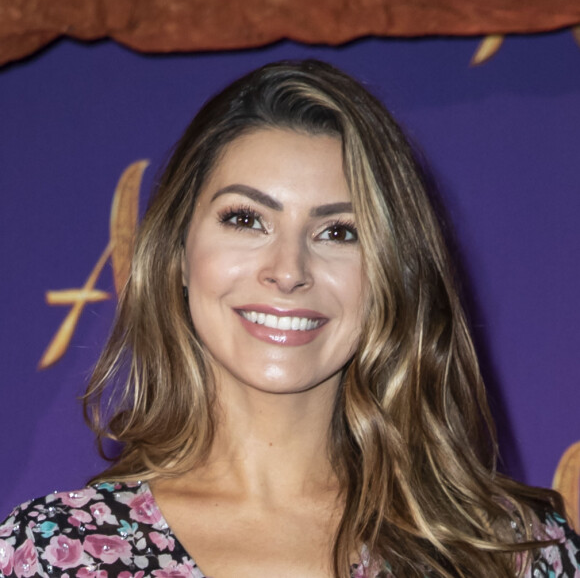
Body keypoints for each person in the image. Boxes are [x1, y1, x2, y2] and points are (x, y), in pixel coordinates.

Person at [1, 60, 578, 578]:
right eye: (246, 220)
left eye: (338, 232)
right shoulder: (55, 555)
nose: (287, 270)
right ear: (177, 251)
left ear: (390, 276)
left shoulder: (511, 551)